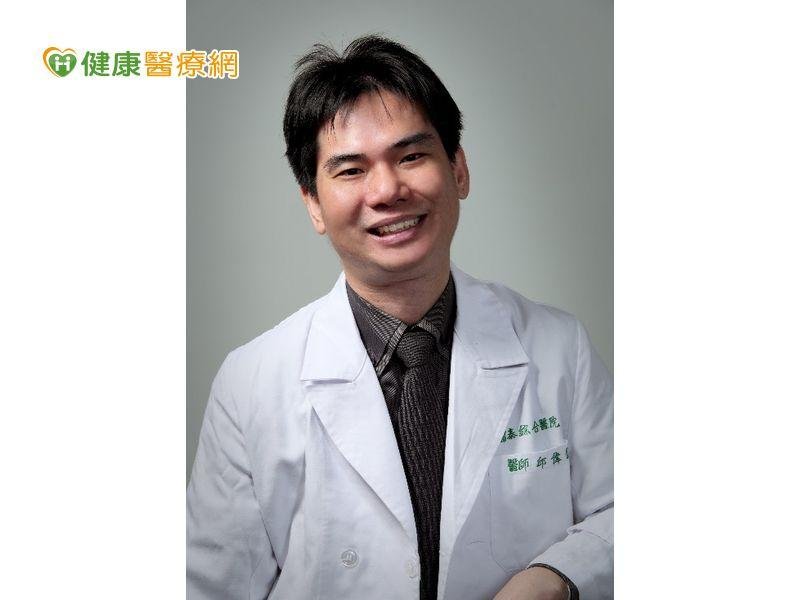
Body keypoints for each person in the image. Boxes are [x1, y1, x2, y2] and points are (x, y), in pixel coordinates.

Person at [187, 35, 613, 600]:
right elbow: (212, 587)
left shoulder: (559, 347)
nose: (387, 190)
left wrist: (557, 578)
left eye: (411, 156)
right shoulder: (250, 384)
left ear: (458, 169)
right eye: (350, 170)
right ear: (313, 203)